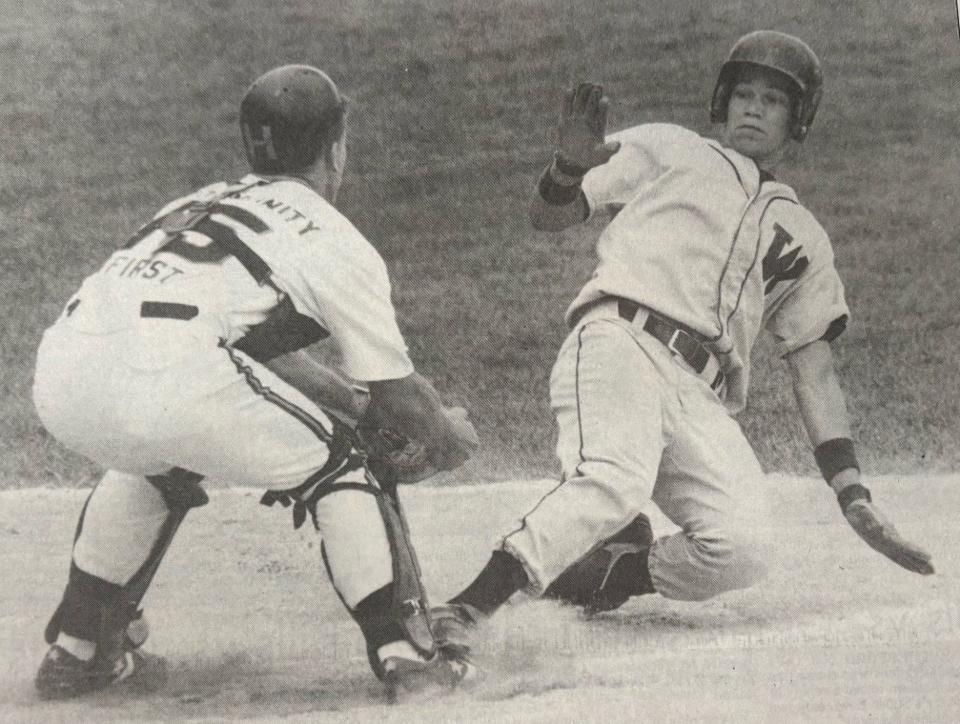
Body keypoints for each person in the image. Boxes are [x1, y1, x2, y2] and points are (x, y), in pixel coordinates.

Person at [434, 31, 933, 641]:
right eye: (743, 93)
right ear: (722, 101)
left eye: (774, 100)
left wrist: (852, 491)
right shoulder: (670, 148)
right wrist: (566, 169)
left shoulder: (805, 235)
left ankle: (605, 573)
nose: (754, 107)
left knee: (744, 547)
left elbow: (814, 368)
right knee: (614, 480)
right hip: (621, 341)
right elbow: (549, 216)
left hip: (701, 395)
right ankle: (466, 608)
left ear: (798, 119)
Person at [31, 64, 478, 702]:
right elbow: (395, 392)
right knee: (342, 467)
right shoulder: (330, 236)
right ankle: (409, 659)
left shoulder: (195, 202)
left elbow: (246, 345)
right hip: (176, 373)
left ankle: (78, 652)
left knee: (155, 454)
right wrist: (445, 440)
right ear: (335, 144)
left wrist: (345, 403)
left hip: (65, 371)